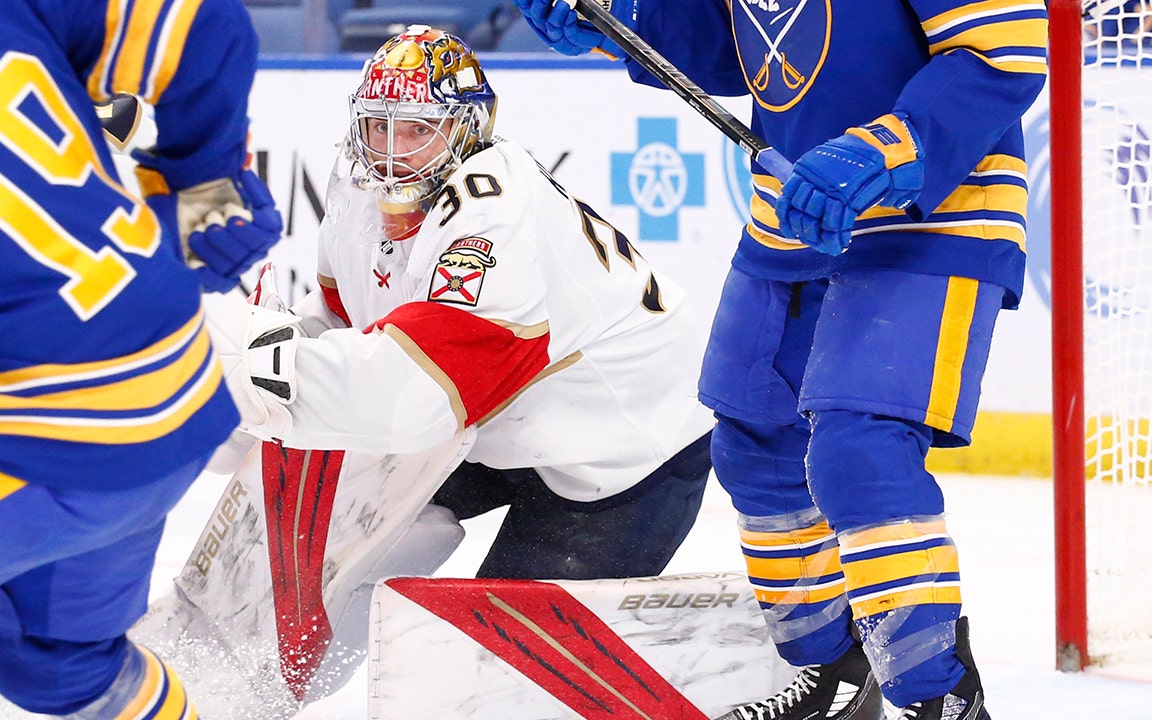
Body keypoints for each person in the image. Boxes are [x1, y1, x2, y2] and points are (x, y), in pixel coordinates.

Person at [513, 0, 1047, 719]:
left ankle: (941, 699)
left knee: (861, 455)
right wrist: (624, 18)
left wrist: (886, 148)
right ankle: (834, 676)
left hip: (935, 216)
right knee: (755, 448)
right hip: (792, 216)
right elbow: (738, 46)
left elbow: (1001, 53)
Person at [205, 24, 714, 681]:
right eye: (378, 126)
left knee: (496, 679)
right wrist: (215, 405)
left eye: (419, 128)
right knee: (331, 526)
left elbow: (412, 404)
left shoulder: (492, 217)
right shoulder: (357, 187)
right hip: (489, 426)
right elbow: (340, 321)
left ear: (469, 129)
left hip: (620, 457)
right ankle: (286, 672)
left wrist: (246, 368)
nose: (392, 151)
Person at [0, 0, 282, 717]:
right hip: (179, 397)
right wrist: (202, 191)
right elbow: (206, 25)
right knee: (55, 670)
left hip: (48, 432)